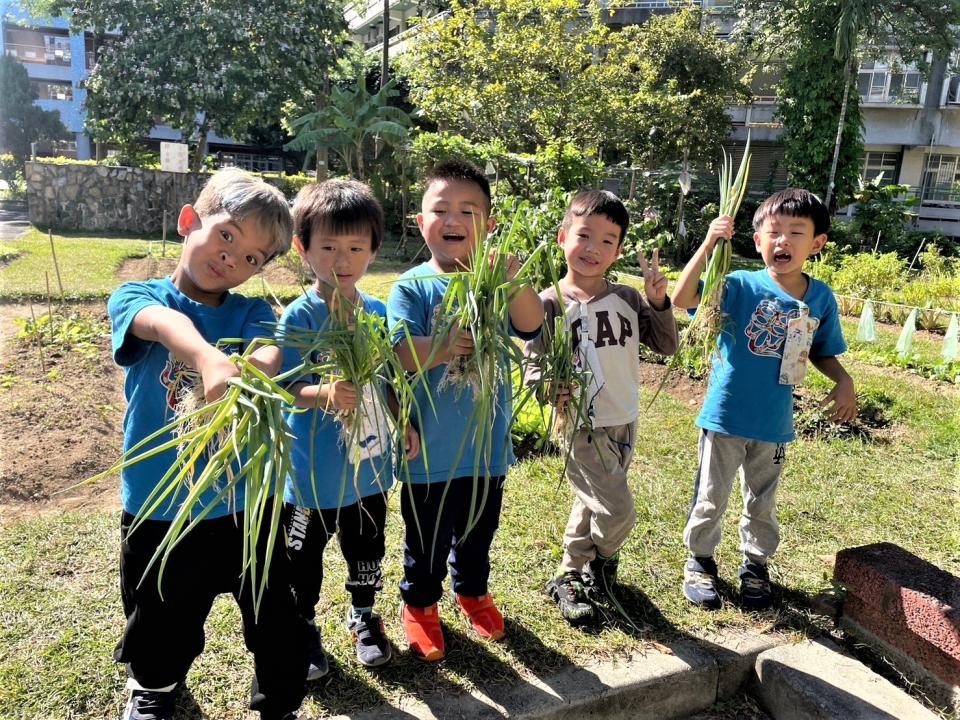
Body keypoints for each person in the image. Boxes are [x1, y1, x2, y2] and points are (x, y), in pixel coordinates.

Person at [106, 169, 307, 720]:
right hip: (161, 505)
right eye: (227, 236)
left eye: (253, 259)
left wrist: (254, 364)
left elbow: (270, 348)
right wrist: (205, 356)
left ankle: (281, 700)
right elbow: (160, 323)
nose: (233, 260)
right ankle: (154, 684)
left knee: (277, 617)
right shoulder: (139, 295)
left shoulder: (250, 313)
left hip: (248, 505)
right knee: (160, 615)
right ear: (189, 220)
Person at [385, 159, 543, 660]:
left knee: (479, 530)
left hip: (485, 446)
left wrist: (514, 280)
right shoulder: (412, 286)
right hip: (429, 449)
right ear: (420, 221)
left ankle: (472, 591)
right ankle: (421, 603)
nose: (454, 220)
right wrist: (446, 345)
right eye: (441, 209)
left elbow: (533, 323)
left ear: (489, 224)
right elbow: (399, 352)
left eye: (469, 211)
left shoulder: (494, 285)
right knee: (426, 538)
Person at [671, 188, 857, 611]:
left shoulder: (820, 298)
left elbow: (822, 350)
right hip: (724, 418)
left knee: (763, 500)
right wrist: (708, 243)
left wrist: (843, 381)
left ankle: (755, 564)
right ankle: (700, 562)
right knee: (711, 495)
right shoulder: (738, 285)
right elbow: (682, 299)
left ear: (817, 243)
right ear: (756, 241)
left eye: (796, 232)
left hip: (774, 425)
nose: (783, 241)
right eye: (773, 231)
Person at [278, 180, 418, 674]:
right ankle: (302, 625)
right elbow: (281, 387)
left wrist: (405, 423)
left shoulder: (377, 314)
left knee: (366, 547)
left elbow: (390, 379)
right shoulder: (298, 317)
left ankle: (364, 615)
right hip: (312, 472)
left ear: (374, 251)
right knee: (303, 558)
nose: (343, 259)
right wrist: (324, 394)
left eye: (356, 247)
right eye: (329, 247)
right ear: (304, 248)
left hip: (369, 467)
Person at [523, 190, 679, 625]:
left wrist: (659, 302)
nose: (593, 248)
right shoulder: (548, 303)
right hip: (580, 424)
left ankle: (570, 573)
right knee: (616, 509)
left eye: (607, 241)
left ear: (619, 250)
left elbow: (666, 345)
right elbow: (533, 363)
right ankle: (602, 561)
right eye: (584, 235)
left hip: (624, 416)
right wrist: (547, 387)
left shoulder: (628, 299)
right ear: (562, 236)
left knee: (593, 501)